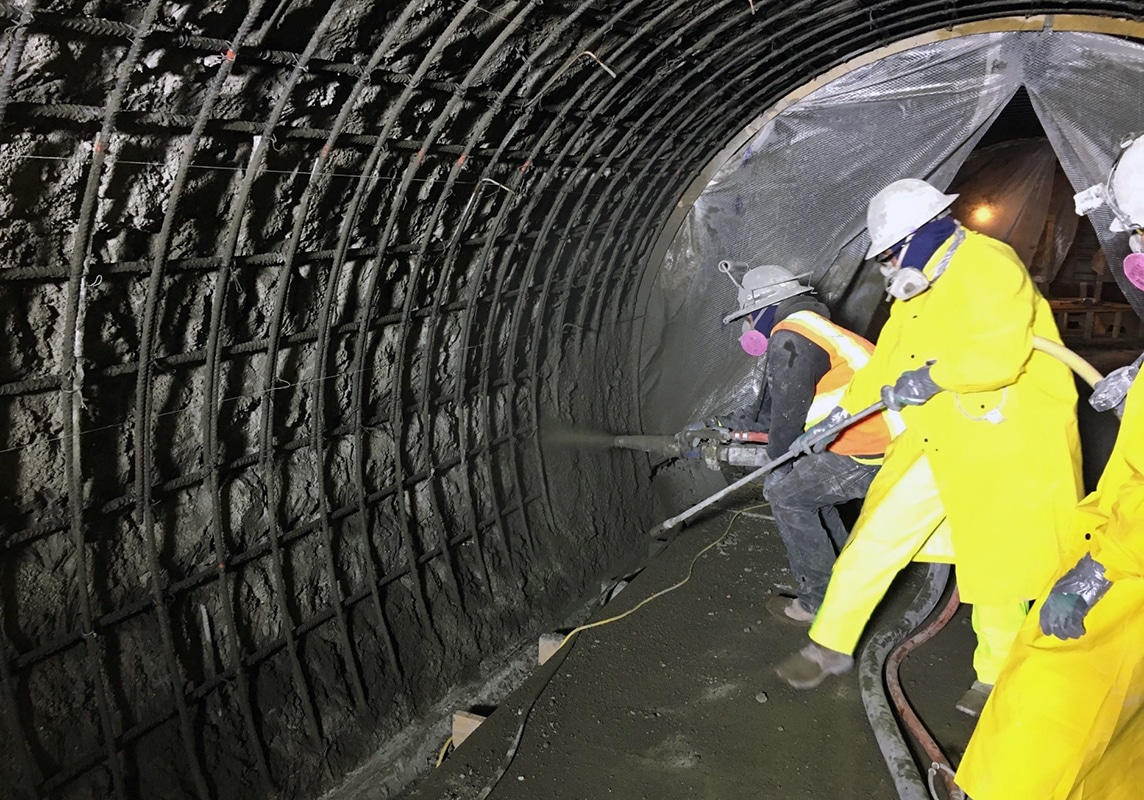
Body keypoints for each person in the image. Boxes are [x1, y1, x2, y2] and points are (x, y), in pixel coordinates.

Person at [775, 177, 1083, 717]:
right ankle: (829, 646)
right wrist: (844, 414)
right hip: (938, 437)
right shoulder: (915, 292)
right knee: (875, 537)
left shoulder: (988, 263)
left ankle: (993, 675)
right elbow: (890, 361)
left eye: (891, 254)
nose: (889, 267)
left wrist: (935, 377)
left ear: (925, 234)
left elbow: (1001, 352)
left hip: (1004, 440)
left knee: (996, 568)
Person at [955, 134, 1144, 798]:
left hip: (1131, 561)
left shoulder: (983, 271)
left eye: (1138, 238)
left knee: (1052, 704)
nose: (1132, 258)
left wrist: (1098, 571)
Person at [702, 263, 897, 625]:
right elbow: (777, 411)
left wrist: (778, 467)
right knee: (808, 495)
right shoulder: (814, 329)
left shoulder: (790, 335)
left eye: (748, 318)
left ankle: (818, 603)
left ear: (760, 309)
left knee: (788, 496)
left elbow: (788, 418)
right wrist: (725, 425)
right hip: (880, 437)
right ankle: (841, 582)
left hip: (871, 444)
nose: (749, 327)